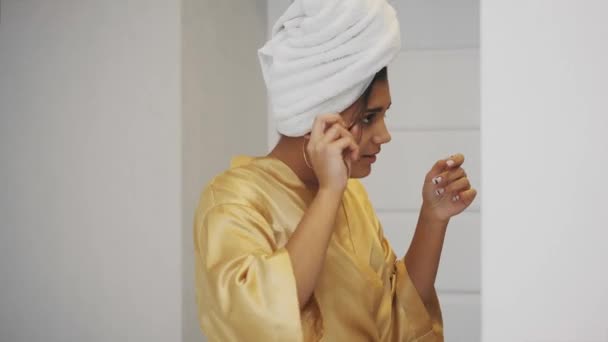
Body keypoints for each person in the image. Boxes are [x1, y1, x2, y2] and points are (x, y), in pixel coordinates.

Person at [193, 0, 477, 341]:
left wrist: (432, 218)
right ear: (316, 118)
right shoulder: (233, 201)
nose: (384, 135)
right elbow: (256, 320)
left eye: (385, 114)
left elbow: (397, 318)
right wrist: (329, 194)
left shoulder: (351, 196)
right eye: (369, 118)